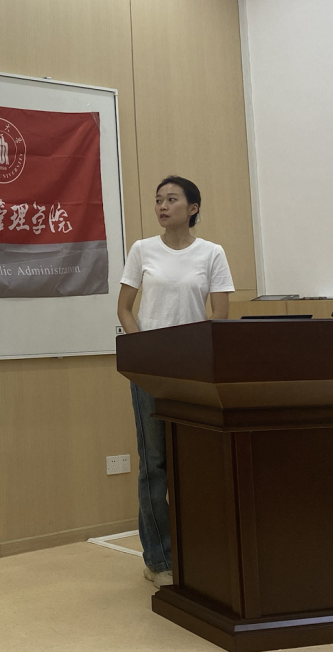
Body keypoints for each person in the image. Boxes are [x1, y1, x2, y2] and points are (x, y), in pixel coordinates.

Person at [116, 176, 234, 589]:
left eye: (171, 199)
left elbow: (220, 316)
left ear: (193, 208)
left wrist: (197, 355)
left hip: (195, 372)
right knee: (154, 463)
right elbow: (124, 308)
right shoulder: (142, 250)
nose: (163, 206)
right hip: (150, 371)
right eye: (158, 200)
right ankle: (158, 559)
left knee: (196, 460)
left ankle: (201, 550)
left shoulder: (212, 253)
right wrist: (143, 349)